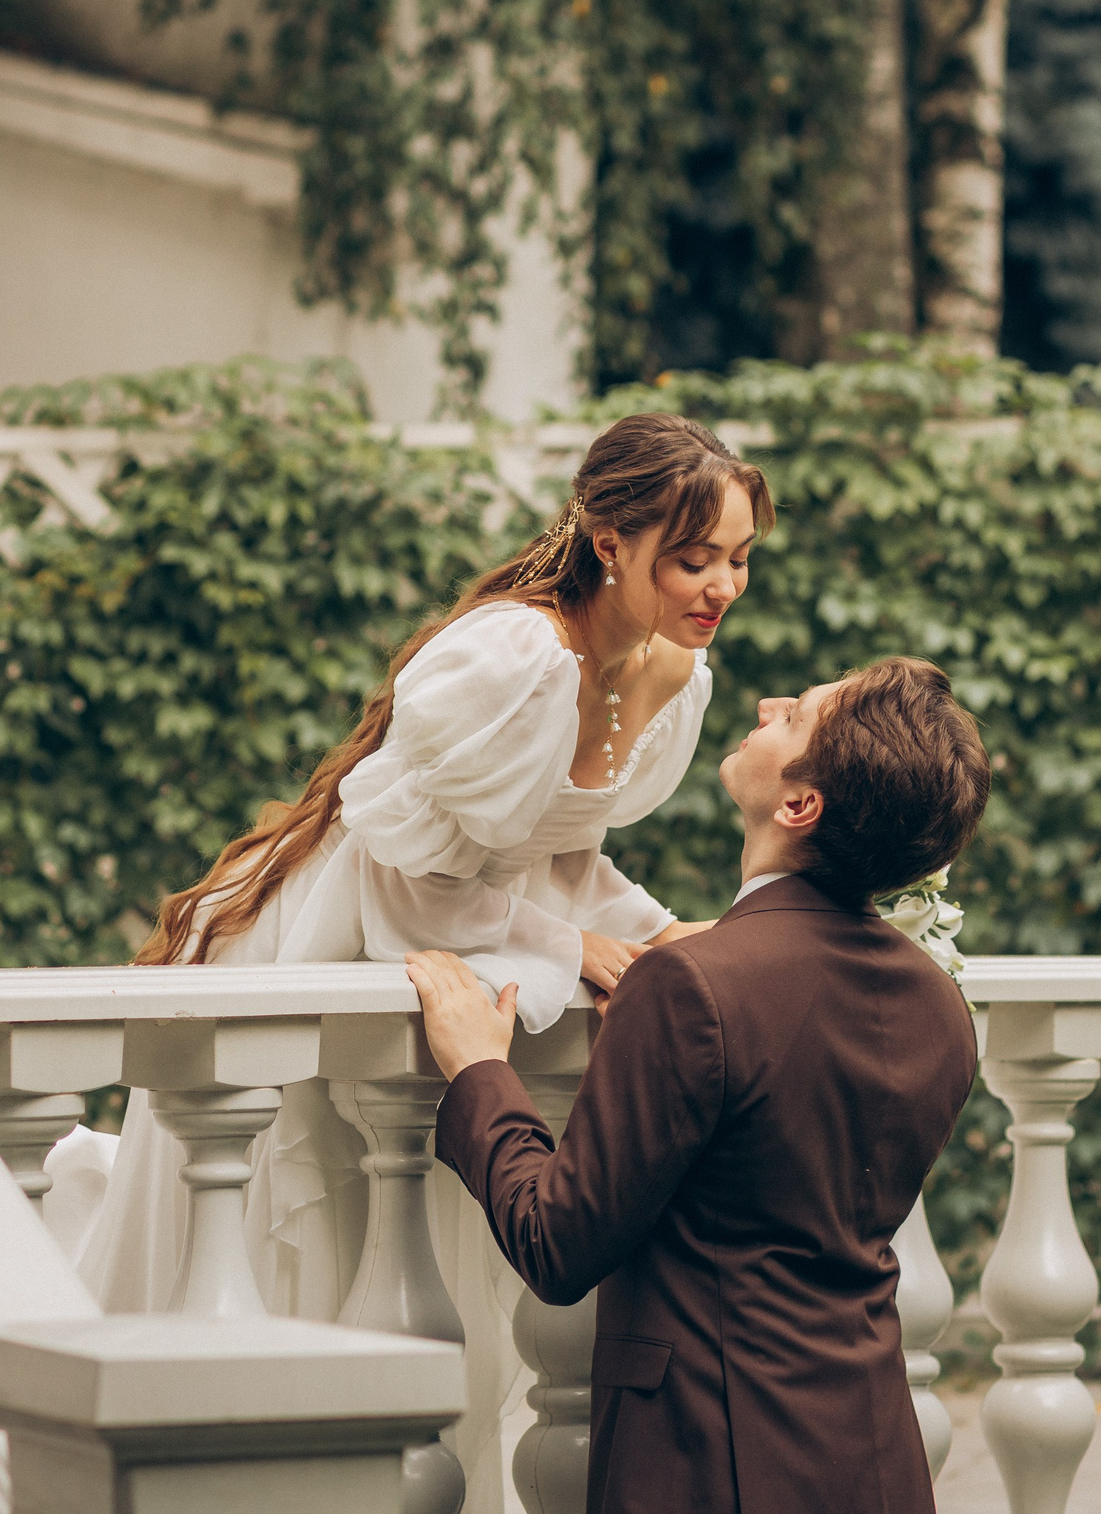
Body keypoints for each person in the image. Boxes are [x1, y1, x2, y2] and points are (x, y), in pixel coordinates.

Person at [50, 413, 774, 1503]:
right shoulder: (514, 653)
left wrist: (658, 931)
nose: (720, 585)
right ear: (609, 539)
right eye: (693, 557)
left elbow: (554, 851)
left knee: (415, 1266)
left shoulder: (665, 669)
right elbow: (410, 878)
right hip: (342, 929)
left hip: (464, 925)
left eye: (738, 559)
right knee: (302, 1227)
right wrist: (572, 947)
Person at [406, 656, 989, 1514]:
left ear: (800, 804)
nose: (767, 702)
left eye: (795, 717)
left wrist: (481, 1070)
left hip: (709, 1461)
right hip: (876, 1457)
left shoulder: (692, 986)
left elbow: (557, 1244)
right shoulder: (940, 1002)